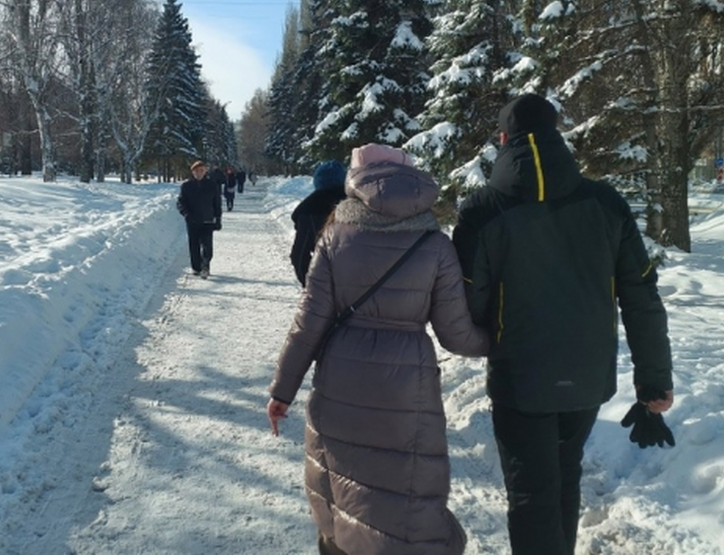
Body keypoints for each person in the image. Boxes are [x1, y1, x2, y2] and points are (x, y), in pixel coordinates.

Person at [450, 93, 675, 555]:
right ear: (557, 136)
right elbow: (641, 297)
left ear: (503, 139)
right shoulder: (606, 202)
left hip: (520, 376)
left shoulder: (483, 210)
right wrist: (654, 380)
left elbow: (470, 298)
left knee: (532, 492)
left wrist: (491, 330)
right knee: (564, 474)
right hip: (587, 377)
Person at [267, 143, 489, 555]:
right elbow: (457, 335)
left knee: (343, 495)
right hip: (409, 386)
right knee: (404, 499)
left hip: (341, 381)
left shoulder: (335, 234)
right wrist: (503, 340)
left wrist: (282, 391)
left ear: (358, 182)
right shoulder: (434, 243)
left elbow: (309, 322)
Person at [289, 160, 347, 286]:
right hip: (363, 288)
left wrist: (312, 286)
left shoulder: (309, 211)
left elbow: (299, 256)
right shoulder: (361, 207)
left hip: (325, 283)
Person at [177, 160, 221, 278]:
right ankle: (196, 267)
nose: (199, 173)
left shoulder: (211, 185)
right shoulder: (186, 186)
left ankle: (205, 266)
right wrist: (186, 214)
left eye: (201, 170)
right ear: (192, 172)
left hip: (207, 220)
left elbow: (217, 203)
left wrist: (218, 218)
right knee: (194, 245)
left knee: (207, 245)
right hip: (192, 221)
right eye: (196, 171)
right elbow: (181, 203)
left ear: (205, 171)